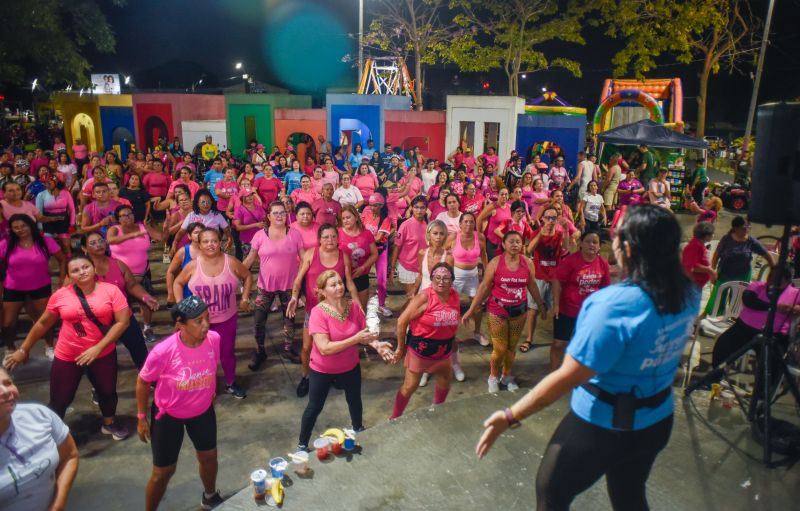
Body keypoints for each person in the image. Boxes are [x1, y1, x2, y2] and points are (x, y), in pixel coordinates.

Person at [476, 205, 699, 511]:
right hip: (657, 420)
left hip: (603, 426)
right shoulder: (688, 292)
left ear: (628, 249)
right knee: (630, 494)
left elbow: (567, 376)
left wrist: (510, 416)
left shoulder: (613, 305)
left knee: (550, 495)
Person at [4, 254, 131, 440]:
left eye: (85, 267)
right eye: (75, 270)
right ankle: (53, 431)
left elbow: (123, 322)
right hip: (67, 354)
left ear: (94, 268)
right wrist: (24, 349)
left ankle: (109, 423)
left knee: (107, 392)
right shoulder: (61, 295)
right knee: (60, 398)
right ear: (69, 276)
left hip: (102, 353)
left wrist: (98, 347)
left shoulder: (111, 291)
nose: (82, 272)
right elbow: (43, 323)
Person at [136, 297, 225, 511]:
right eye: (198, 321)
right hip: (169, 416)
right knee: (162, 473)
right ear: (180, 325)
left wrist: (210, 391)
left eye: (207, 318)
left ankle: (210, 496)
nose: (206, 325)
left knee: (209, 457)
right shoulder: (163, 351)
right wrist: (141, 418)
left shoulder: (214, 339)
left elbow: (213, 367)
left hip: (202, 411)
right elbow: (142, 381)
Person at [297, 270, 392, 450]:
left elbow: (363, 334)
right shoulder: (317, 313)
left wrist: (377, 345)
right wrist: (354, 340)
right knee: (314, 407)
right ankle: (302, 444)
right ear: (322, 291)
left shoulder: (354, 307)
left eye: (340, 282)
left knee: (355, 400)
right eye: (333, 285)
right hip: (322, 370)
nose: (339, 287)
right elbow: (324, 348)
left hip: (349, 367)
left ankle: (358, 428)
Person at [173, 228, 253, 399]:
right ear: (199, 244)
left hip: (226, 318)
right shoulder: (193, 265)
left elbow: (247, 276)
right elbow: (178, 282)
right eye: (206, 241)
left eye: (214, 241)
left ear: (220, 242)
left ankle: (230, 383)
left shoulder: (230, 262)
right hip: (199, 321)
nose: (211, 244)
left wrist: (245, 298)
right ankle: (203, 385)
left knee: (227, 353)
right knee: (199, 355)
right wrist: (181, 305)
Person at [463, 231, 546, 393]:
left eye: (518, 242)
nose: (515, 244)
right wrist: (471, 310)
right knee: (500, 348)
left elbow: (532, 285)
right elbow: (484, 287)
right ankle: (493, 376)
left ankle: (506, 375)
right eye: (511, 241)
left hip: (519, 311)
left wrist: (541, 305)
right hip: (497, 311)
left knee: (511, 348)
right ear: (503, 244)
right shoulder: (495, 262)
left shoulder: (528, 263)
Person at [287, 224, 361, 397]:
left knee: (335, 345)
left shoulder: (344, 256)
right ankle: (306, 377)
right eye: (326, 237)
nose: (330, 240)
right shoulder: (311, 254)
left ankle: (332, 375)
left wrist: (356, 300)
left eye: (334, 237)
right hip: (313, 310)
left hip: (336, 310)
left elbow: (349, 281)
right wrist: (294, 297)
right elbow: (298, 279)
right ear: (319, 239)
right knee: (307, 347)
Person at [0, 366, 80, 511]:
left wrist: (57, 506)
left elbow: (70, 456)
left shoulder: (39, 415)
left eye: (8, 383)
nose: (5, 392)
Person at [390, 262, 461, 419]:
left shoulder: (455, 296)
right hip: (421, 351)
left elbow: (453, 320)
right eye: (437, 278)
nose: (441, 282)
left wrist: (453, 338)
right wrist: (401, 348)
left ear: (452, 280)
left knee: (445, 381)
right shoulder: (424, 297)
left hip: (444, 350)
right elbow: (402, 321)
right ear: (432, 279)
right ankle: (394, 418)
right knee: (409, 387)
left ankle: (436, 411)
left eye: (445, 278)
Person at [80, 231, 159, 369]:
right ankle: (100, 387)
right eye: (93, 243)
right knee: (102, 357)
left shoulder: (118, 264)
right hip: (96, 322)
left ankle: (149, 378)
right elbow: (69, 295)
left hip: (123, 316)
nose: (98, 244)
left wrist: (146, 297)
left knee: (139, 349)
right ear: (84, 248)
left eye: (101, 241)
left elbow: (132, 285)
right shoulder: (80, 270)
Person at [711, 265, 800, 384]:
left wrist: (796, 309)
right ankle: (716, 378)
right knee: (722, 344)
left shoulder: (796, 294)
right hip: (744, 329)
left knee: (772, 362)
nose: (771, 279)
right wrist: (774, 307)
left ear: (787, 280)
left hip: (774, 335)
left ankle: (762, 395)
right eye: (770, 275)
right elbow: (748, 300)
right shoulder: (757, 286)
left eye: (776, 277)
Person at [243, 201, 305, 369]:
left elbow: (305, 259)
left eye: (282, 213)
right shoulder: (259, 235)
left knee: (289, 320)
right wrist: (234, 272)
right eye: (276, 213)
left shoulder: (295, 234)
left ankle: (287, 348)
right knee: (258, 321)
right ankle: (260, 351)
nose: (279, 216)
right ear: (269, 216)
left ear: (287, 215)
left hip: (289, 286)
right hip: (265, 287)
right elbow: (249, 259)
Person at [0, 215, 66, 359]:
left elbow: (62, 260)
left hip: (41, 287)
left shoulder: (45, 241)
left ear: (31, 225)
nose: (20, 230)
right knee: (7, 323)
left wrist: (62, 280)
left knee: (45, 320)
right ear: (11, 229)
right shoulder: (6, 243)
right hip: (13, 288)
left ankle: (49, 345)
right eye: (16, 227)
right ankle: (10, 349)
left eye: (23, 226)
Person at [551, 231, 610, 370]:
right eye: (588, 241)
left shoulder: (602, 263)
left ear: (599, 246)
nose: (591, 245)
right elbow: (556, 279)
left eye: (595, 242)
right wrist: (556, 304)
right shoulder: (571, 261)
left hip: (589, 313)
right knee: (559, 344)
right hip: (568, 310)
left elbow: (605, 288)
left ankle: (578, 373)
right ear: (581, 244)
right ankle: (553, 374)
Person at [520, 206, 572, 354]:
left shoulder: (560, 234)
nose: (550, 221)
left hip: (555, 278)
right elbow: (528, 250)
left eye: (553, 218)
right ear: (542, 219)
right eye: (548, 218)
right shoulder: (537, 232)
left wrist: (566, 230)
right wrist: (540, 235)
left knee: (559, 309)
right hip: (539, 277)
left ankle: (561, 339)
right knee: (533, 310)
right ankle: (529, 338)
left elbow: (566, 249)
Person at [705, 216, 773, 316]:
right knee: (718, 296)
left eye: (748, 227)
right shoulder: (726, 239)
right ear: (735, 228)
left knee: (737, 298)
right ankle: (714, 315)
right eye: (744, 227)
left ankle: (732, 316)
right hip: (724, 272)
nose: (747, 229)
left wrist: (773, 268)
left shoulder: (751, 241)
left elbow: (765, 253)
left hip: (743, 274)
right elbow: (716, 255)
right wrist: (713, 272)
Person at [445, 212, 489, 346]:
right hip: (456, 276)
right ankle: (449, 335)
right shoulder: (453, 236)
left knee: (477, 306)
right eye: (466, 222)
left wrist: (486, 273)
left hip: (473, 276)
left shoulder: (480, 237)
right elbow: (443, 250)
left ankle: (477, 332)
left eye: (471, 222)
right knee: (451, 307)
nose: (469, 224)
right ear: (460, 224)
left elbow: (484, 255)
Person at [361, 192, 395, 318]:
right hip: (367, 249)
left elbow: (378, 238)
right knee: (362, 275)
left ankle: (381, 305)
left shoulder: (386, 218)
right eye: (370, 205)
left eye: (375, 205)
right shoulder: (366, 213)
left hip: (380, 250)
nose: (371, 208)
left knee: (381, 279)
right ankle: (359, 304)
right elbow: (360, 228)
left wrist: (364, 237)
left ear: (381, 205)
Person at [390, 197, 429, 304]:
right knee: (413, 300)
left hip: (423, 269)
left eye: (422, 208)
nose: (419, 210)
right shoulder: (405, 225)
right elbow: (397, 247)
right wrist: (393, 268)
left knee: (418, 300)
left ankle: (405, 319)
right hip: (407, 268)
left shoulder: (428, 225)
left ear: (426, 209)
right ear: (411, 208)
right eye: (416, 207)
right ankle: (405, 320)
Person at [338, 205, 378, 310]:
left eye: (348, 217)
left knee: (361, 309)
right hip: (341, 276)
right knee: (341, 310)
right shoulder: (337, 233)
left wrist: (363, 268)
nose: (345, 220)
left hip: (361, 276)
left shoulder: (366, 234)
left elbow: (374, 254)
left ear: (356, 217)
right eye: (343, 218)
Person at [172, 190, 232, 255]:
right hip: (196, 250)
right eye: (203, 202)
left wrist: (229, 238)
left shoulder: (217, 215)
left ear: (212, 202)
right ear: (198, 203)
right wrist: (175, 242)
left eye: (208, 202)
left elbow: (226, 229)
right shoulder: (191, 215)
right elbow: (181, 231)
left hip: (213, 249)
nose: (206, 204)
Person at [166, 222, 206, 305]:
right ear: (189, 236)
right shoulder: (183, 252)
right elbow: (170, 272)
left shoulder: (210, 251)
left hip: (206, 292)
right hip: (187, 293)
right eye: (196, 232)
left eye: (201, 232)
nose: (199, 234)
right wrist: (171, 293)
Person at [476, 188, 511, 260]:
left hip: (504, 241)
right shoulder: (492, 206)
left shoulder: (509, 207)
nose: (504, 196)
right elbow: (479, 218)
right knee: (492, 264)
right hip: (492, 242)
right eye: (502, 194)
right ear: (498, 195)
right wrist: (479, 233)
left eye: (506, 194)